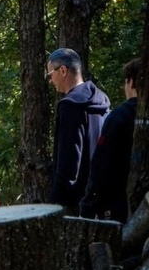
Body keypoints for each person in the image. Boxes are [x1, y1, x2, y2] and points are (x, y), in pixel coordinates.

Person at [47, 48, 111, 214]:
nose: (50, 80)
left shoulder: (70, 106)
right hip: (100, 194)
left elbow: (69, 159)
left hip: (74, 201)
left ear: (62, 70)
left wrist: (55, 203)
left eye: (50, 74)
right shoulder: (102, 100)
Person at [79, 58, 141, 223]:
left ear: (130, 82)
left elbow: (102, 162)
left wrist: (89, 202)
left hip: (117, 203)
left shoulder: (120, 116)